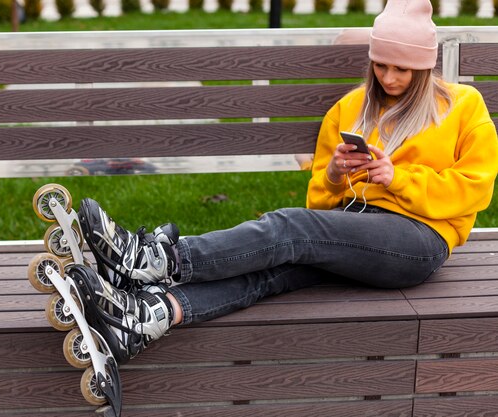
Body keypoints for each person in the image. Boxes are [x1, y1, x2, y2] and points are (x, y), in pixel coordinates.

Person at [68, 0, 498, 364]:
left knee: (288, 228)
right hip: (353, 234)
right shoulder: (350, 109)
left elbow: (475, 189)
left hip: (418, 240)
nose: (389, 78)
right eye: (381, 65)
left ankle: (158, 260)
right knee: (274, 271)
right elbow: (320, 204)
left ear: (424, 67)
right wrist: (332, 175)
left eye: (402, 69)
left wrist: (398, 178)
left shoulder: (462, 106)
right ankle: (146, 317)